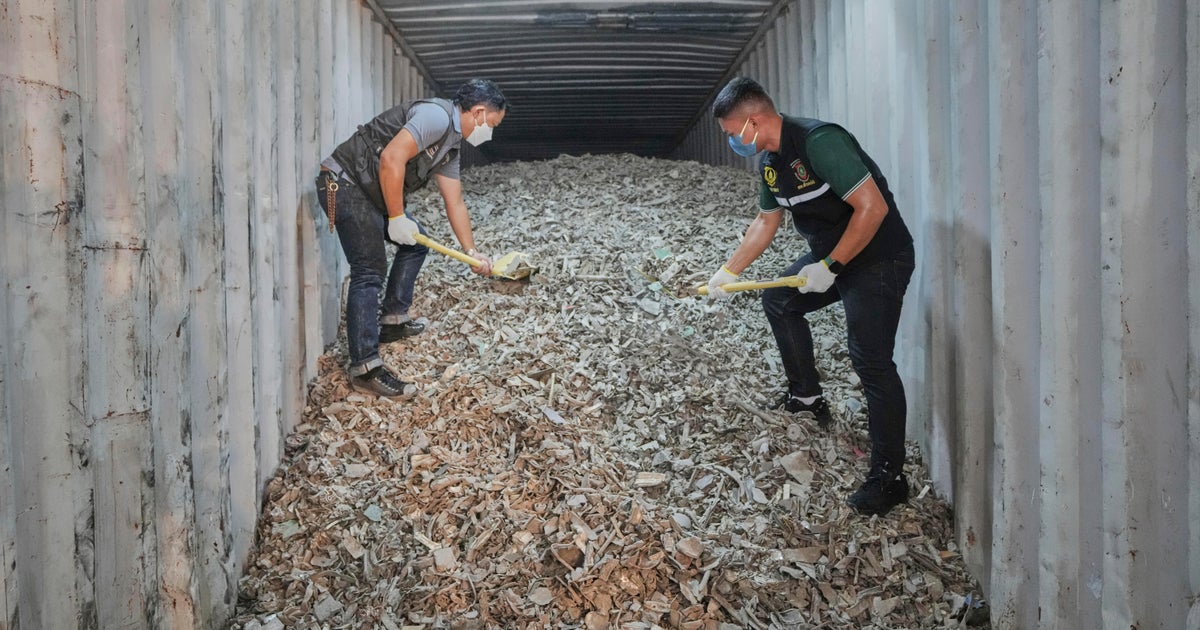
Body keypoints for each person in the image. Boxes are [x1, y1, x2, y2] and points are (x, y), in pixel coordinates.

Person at [705, 77, 915, 516]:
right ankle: (806, 398)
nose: (731, 141)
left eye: (731, 132)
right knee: (780, 301)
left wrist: (831, 266)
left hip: (878, 257)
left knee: (871, 361)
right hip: (831, 257)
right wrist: (729, 271)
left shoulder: (820, 141)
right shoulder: (771, 162)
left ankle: (890, 477)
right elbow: (766, 221)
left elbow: (873, 207)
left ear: (753, 121)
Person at [316, 79, 506, 398]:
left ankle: (393, 320)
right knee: (369, 270)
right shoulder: (436, 117)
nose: (490, 132)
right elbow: (391, 158)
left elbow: (455, 202)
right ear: (478, 112)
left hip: (366, 191)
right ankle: (365, 368)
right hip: (343, 183)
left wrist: (472, 252)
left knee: (416, 244)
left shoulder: (450, 148)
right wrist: (396, 217)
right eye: (492, 124)